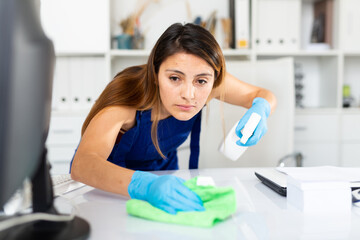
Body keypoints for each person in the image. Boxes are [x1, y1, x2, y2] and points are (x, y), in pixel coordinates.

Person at [70, 23, 276, 215]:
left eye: (201, 81)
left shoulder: (210, 83)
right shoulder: (126, 98)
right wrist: (147, 186)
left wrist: (261, 109)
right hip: (106, 192)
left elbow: (262, 94)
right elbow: (82, 165)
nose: (189, 94)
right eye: (175, 78)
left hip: (165, 187)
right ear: (155, 74)